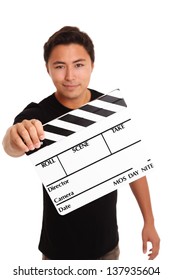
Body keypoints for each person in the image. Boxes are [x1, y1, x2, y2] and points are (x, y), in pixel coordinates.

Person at [2, 26, 160, 260]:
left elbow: (132, 166)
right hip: (57, 252)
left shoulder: (108, 110)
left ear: (92, 65)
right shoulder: (40, 114)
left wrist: (149, 221)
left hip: (107, 248)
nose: (70, 76)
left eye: (78, 65)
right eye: (59, 66)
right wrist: (15, 136)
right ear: (47, 69)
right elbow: (11, 145)